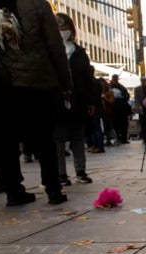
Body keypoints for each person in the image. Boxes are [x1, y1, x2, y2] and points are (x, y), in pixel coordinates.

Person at [0, 0, 71, 205]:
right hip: (37, 81)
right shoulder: (38, 4)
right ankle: (53, 189)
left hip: (0, 83)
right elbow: (54, 45)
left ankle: (14, 191)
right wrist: (65, 82)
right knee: (44, 137)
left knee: (6, 140)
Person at [54, 13, 93, 186]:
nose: (62, 30)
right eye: (59, 27)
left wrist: (91, 101)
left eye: (65, 27)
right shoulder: (51, 52)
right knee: (58, 138)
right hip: (57, 100)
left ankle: (80, 171)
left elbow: (87, 79)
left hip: (78, 100)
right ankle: (61, 174)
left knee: (78, 137)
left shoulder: (79, 53)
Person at [87, 66, 105, 153]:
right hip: (97, 105)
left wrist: (92, 104)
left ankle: (99, 146)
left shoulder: (91, 82)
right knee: (95, 127)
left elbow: (93, 95)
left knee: (96, 127)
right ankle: (96, 145)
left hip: (94, 106)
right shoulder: (96, 82)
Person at [110, 74, 130, 144]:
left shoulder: (121, 87)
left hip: (121, 108)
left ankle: (123, 138)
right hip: (114, 108)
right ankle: (118, 137)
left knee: (123, 124)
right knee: (116, 124)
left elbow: (127, 96)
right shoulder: (109, 87)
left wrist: (121, 98)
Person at [133, 76, 146, 145]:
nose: (143, 82)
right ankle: (145, 138)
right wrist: (139, 106)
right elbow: (137, 99)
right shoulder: (137, 89)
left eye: (144, 80)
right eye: (142, 80)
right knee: (143, 123)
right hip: (142, 108)